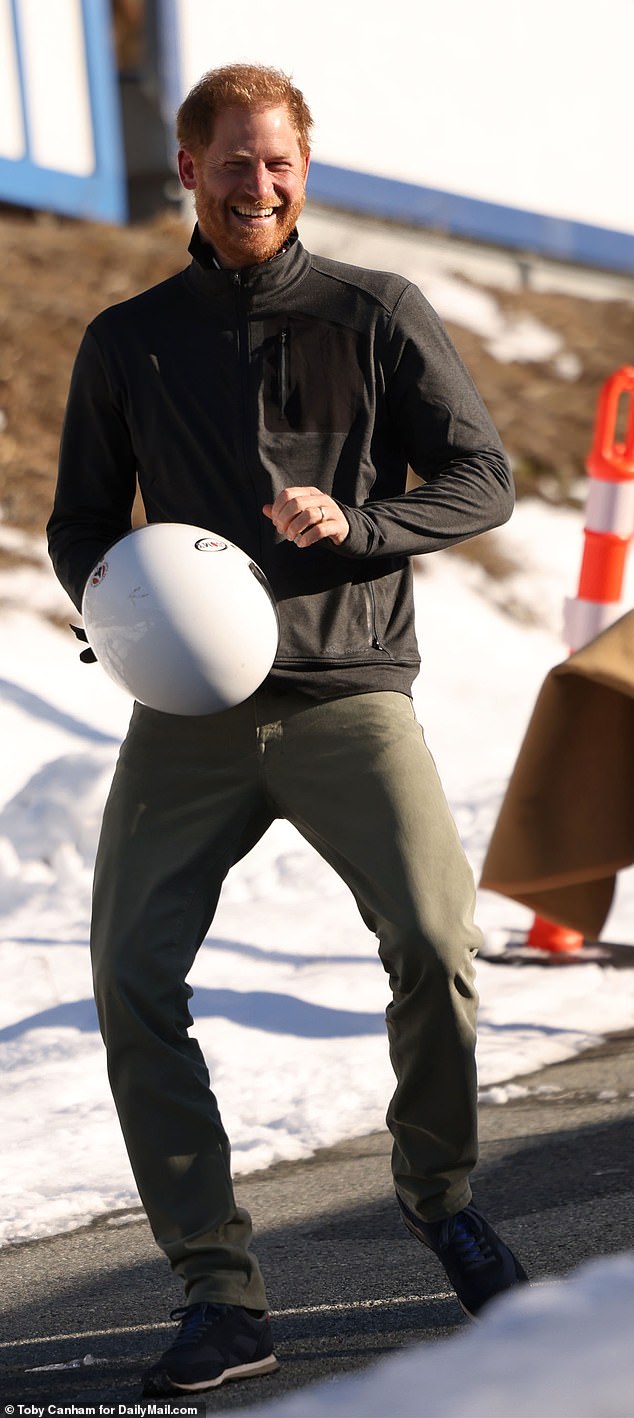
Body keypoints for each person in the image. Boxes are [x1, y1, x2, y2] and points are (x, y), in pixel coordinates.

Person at [47, 62, 527, 1397]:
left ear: (302, 168)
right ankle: (217, 1289)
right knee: (131, 982)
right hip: (189, 714)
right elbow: (80, 518)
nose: (258, 184)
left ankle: (438, 1194)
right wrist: (123, 599)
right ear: (184, 175)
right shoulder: (127, 337)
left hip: (348, 692)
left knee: (436, 943)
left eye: (280, 161)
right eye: (233, 162)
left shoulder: (378, 310)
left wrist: (361, 526)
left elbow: (480, 474)